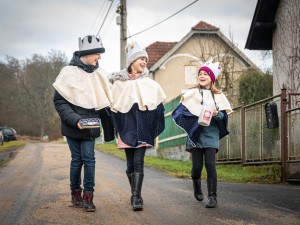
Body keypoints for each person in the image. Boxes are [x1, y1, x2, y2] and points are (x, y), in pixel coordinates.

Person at [53, 35, 114, 212]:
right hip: (72, 126)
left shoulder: (100, 74)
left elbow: (106, 102)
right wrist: (75, 120)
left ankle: (89, 196)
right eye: (97, 53)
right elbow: (59, 102)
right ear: (87, 54)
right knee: (77, 160)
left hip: (92, 126)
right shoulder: (68, 72)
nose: (100, 58)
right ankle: (75, 192)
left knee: (89, 159)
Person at [109, 42, 166, 211]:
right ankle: (136, 193)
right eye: (141, 58)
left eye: (145, 60)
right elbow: (113, 107)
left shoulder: (149, 83)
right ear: (132, 61)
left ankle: (136, 198)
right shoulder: (118, 83)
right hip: (127, 127)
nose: (144, 62)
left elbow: (158, 103)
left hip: (142, 126)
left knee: (139, 161)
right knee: (129, 166)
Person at [172, 59, 232, 208]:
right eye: (200, 74)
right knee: (197, 167)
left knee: (210, 165)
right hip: (195, 135)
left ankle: (212, 197)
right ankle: (197, 185)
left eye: (206, 74)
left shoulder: (219, 96)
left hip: (211, 135)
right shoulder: (191, 93)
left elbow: (224, 117)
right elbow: (181, 111)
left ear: (212, 78)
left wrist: (216, 113)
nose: (202, 76)